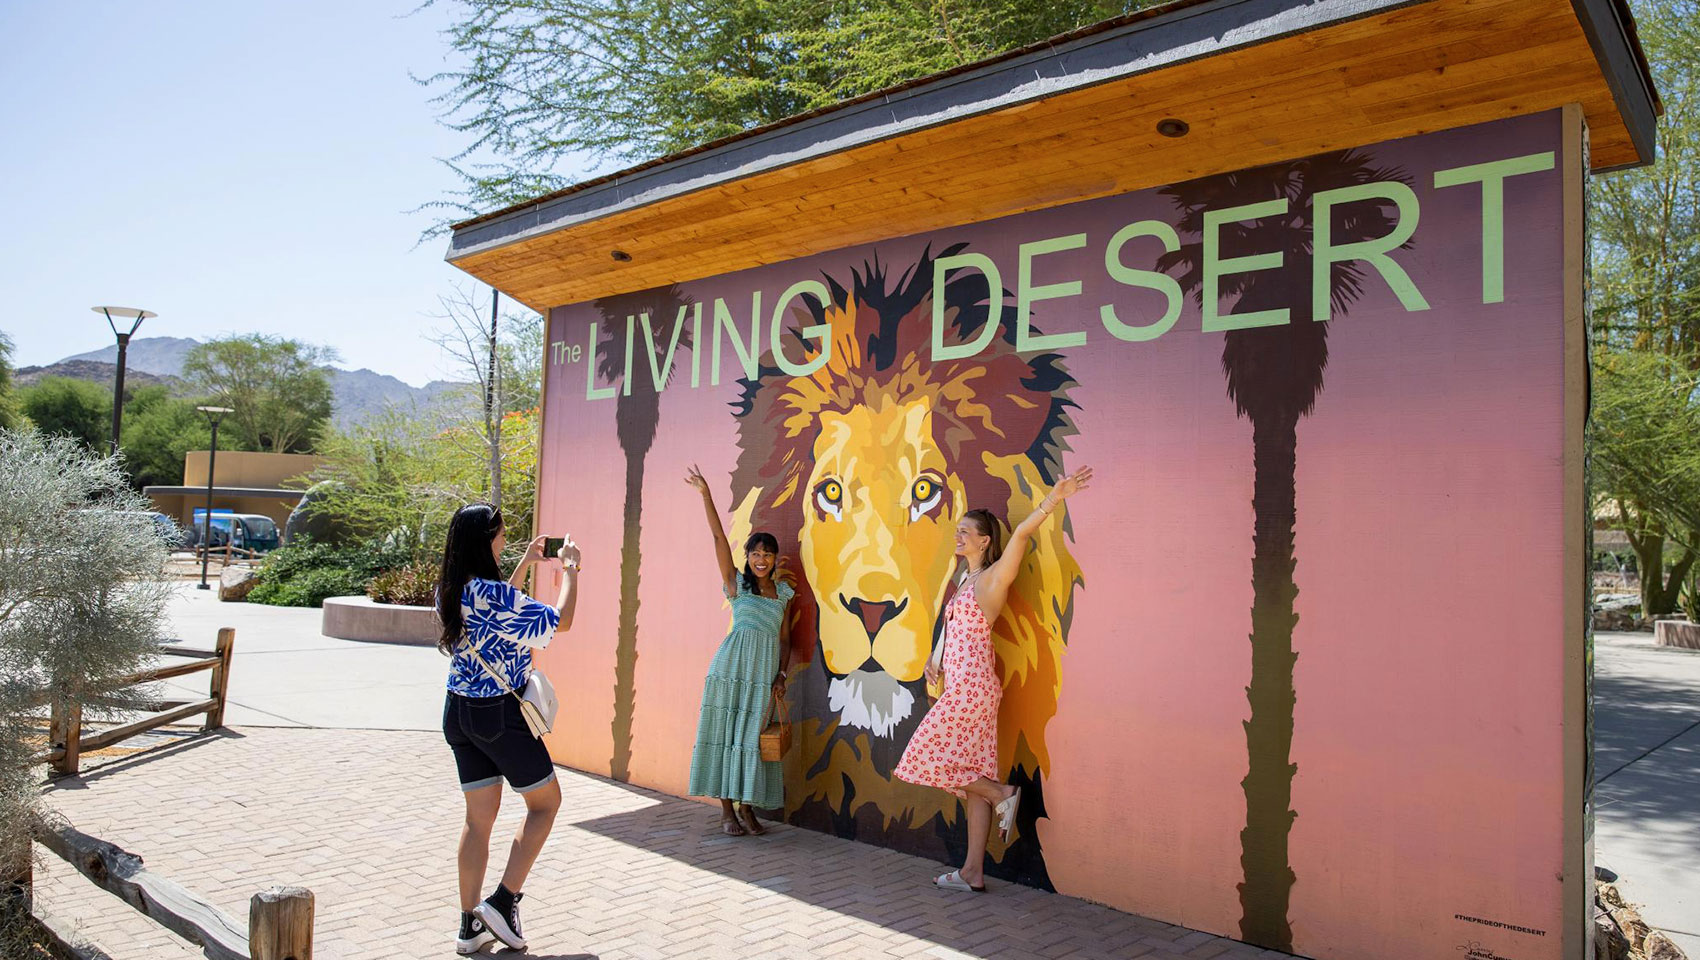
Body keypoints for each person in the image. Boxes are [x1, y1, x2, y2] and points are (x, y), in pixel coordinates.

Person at [893, 465, 1093, 892]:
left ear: (985, 540)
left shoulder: (992, 578)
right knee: (971, 783)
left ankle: (1003, 794)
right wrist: (936, 660)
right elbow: (953, 630)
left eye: (966, 531)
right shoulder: (963, 579)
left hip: (972, 688)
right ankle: (972, 872)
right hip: (964, 684)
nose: (958, 536)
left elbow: (1020, 534)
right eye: (958, 530)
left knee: (924, 759)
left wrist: (1055, 498)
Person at [437, 503, 581, 954]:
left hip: (458, 712)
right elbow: (561, 622)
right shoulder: (495, 596)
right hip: (498, 715)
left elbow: (489, 617)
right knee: (546, 804)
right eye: (501, 534)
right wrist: (571, 570)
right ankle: (502, 902)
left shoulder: (450, 587)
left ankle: (469, 928)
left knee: (477, 821)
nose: (505, 539)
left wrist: (524, 566)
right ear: (486, 540)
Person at [684, 464, 794, 836]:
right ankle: (727, 812)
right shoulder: (736, 585)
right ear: (747, 556)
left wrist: (782, 674)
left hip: (763, 675)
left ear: (775, 559)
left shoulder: (783, 594)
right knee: (726, 735)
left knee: (751, 741)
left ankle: (748, 808)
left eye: (768, 554)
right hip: (730, 669)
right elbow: (718, 538)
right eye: (755, 553)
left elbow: (785, 638)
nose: (761, 559)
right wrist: (706, 495)